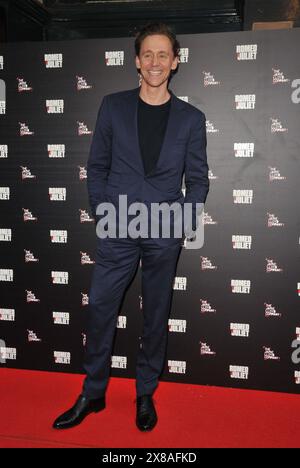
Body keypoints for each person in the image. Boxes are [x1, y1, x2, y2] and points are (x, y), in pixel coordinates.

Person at [53, 22, 209, 432]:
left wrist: (179, 223)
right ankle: (93, 392)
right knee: (102, 308)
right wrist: (105, 213)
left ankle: (145, 393)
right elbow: (97, 166)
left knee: (156, 315)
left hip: (163, 232)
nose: (155, 62)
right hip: (117, 227)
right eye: (148, 55)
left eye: (163, 55)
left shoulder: (192, 118)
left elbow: (198, 180)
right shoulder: (112, 106)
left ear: (174, 62)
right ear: (136, 62)